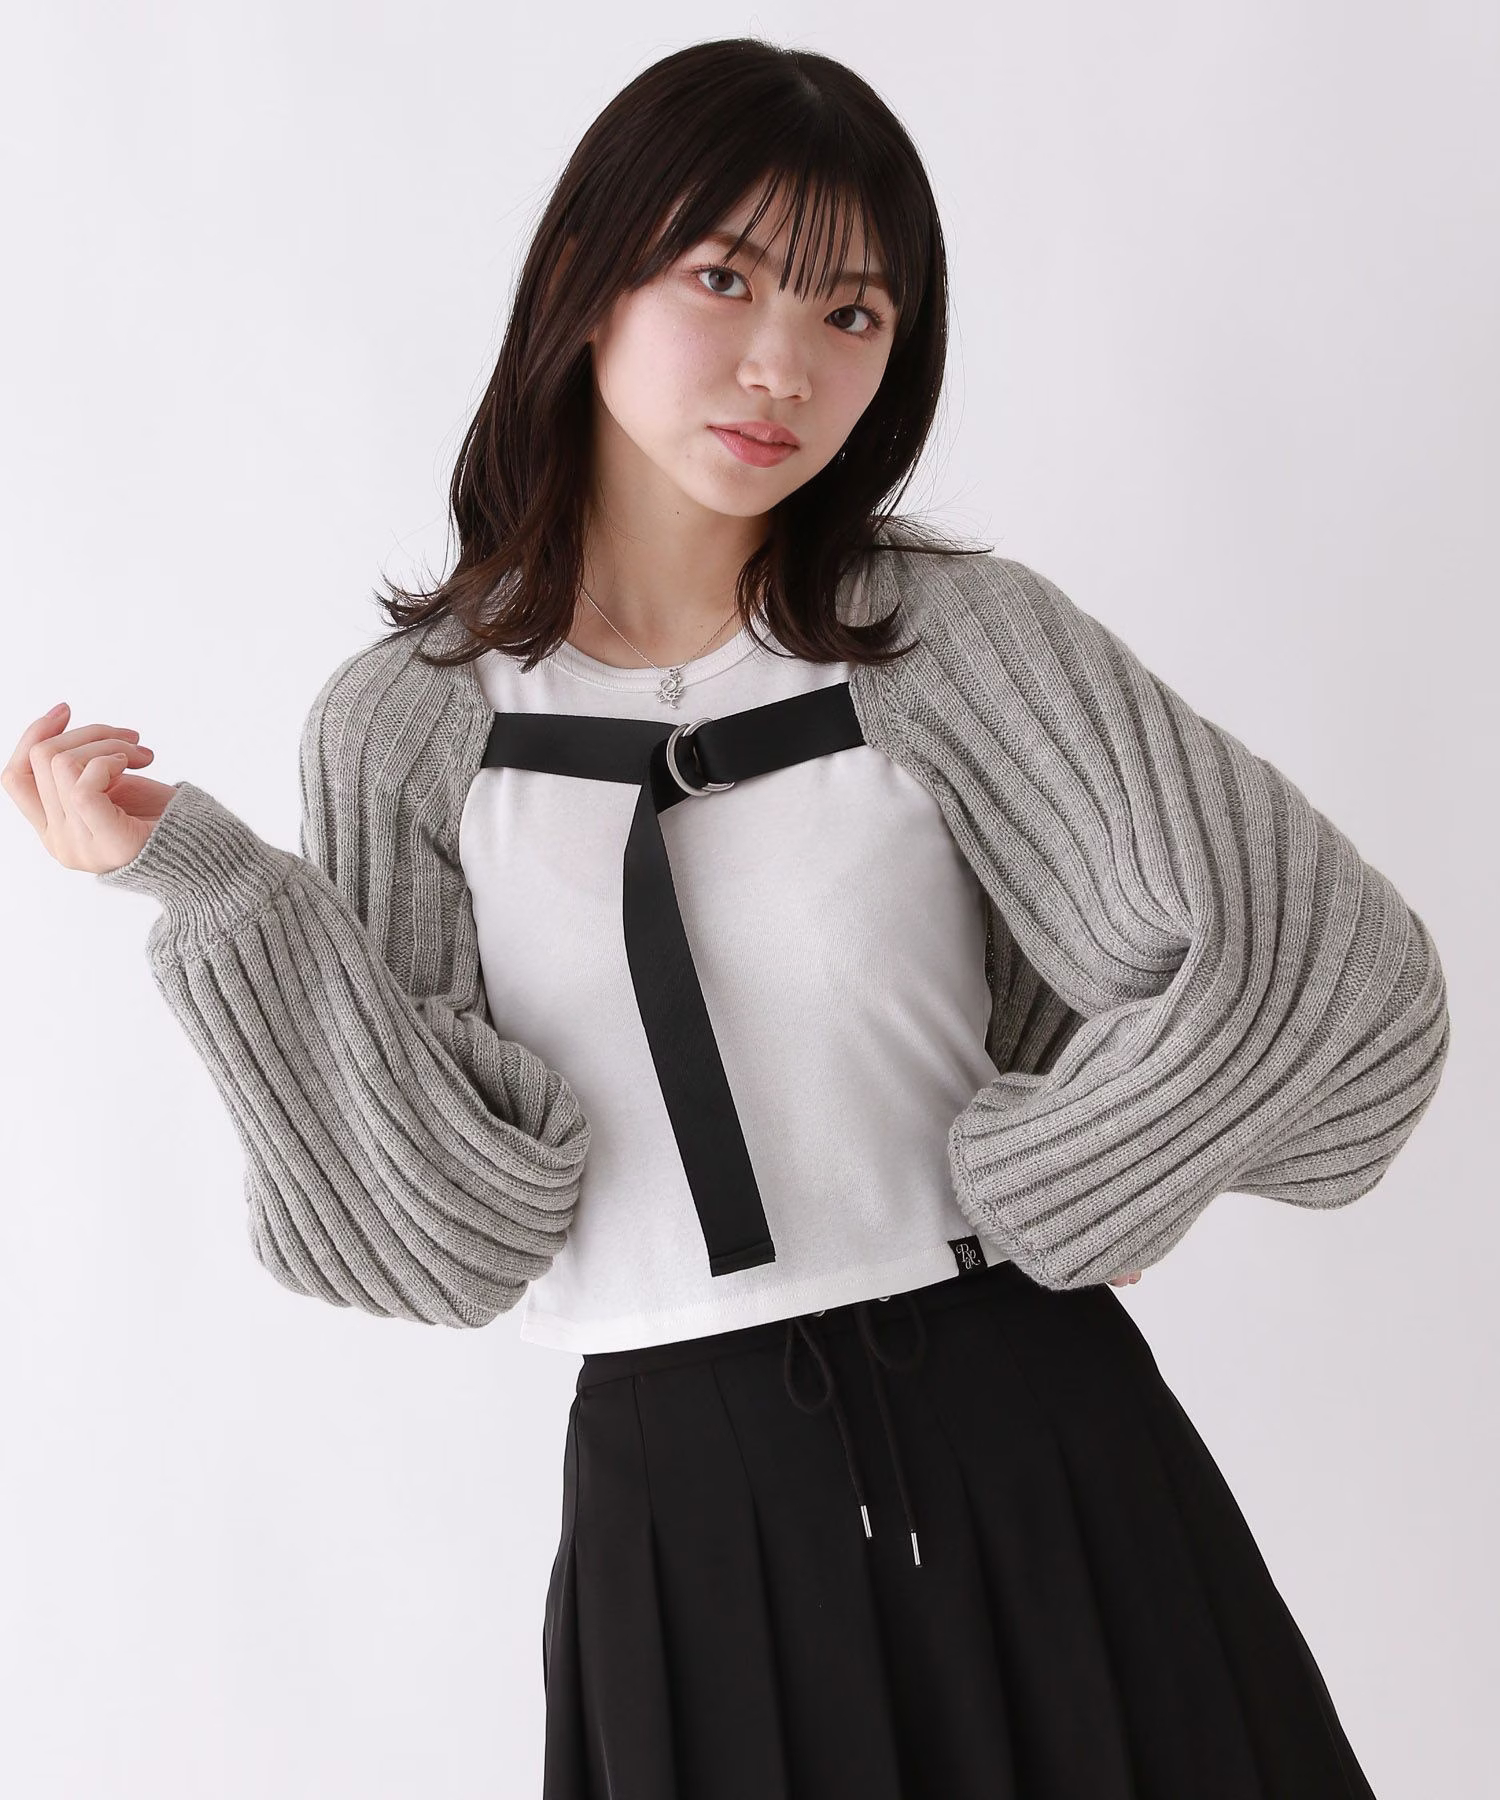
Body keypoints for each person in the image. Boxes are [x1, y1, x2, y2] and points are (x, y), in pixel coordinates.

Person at [6, 35, 1449, 1800]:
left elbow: (1338, 973)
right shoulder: (408, 725)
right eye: (725, 277)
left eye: (854, 312)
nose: (786, 363)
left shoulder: (942, 639)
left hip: (1044, 1453)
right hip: (685, 1519)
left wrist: (1093, 1164)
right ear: (586, 277)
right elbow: (446, 1237)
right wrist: (216, 889)